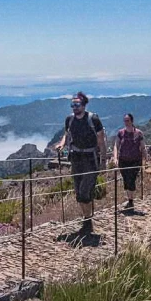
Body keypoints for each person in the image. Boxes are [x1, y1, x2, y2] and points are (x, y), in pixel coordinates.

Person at [56, 92, 106, 236]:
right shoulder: (69, 120)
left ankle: (87, 221)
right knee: (79, 192)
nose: (74, 108)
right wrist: (61, 144)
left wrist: (103, 162)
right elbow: (67, 135)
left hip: (90, 159)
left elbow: (101, 141)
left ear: (84, 105)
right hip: (76, 158)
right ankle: (87, 218)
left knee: (85, 191)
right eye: (72, 105)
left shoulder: (93, 119)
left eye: (77, 105)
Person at [111, 113, 146, 210]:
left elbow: (143, 146)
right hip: (123, 160)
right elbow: (116, 145)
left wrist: (145, 157)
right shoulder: (120, 133)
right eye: (125, 120)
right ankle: (130, 199)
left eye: (128, 120)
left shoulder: (138, 133)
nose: (126, 122)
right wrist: (115, 157)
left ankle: (131, 201)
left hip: (135, 160)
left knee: (131, 178)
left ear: (132, 121)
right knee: (126, 179)